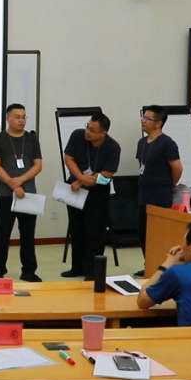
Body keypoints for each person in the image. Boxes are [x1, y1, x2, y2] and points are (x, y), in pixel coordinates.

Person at [62, 113, 121, 279]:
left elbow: (107, 173)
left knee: (95, 232)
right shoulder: (77, 135)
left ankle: (92, 271)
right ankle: (77, 267)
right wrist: (80, 178)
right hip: (75, 190)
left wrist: (82, 181)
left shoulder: (113, 147)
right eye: (87, 127)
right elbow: (69, 158)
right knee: (77, 229)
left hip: (97, 192)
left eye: (92, 130)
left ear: (103, 133)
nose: (87, 132)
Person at [0, 104, 43, 282]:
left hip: (28, 194)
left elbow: (38, 165)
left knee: (28, 235)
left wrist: (21, 180)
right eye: (17, 117)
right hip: (5, 194)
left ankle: (29, 271)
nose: (22, 120)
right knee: (2, 234)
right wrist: (13, 185)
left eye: (24, 117)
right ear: (8, 119)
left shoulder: (32, 139)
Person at [135, 105, 182, 276]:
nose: (143, 121)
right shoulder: (142, 142)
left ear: (158, 123)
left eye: (147, 119)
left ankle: (160, 268)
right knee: (144, 233)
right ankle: (148, 265)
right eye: (143, 117)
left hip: (160, 195)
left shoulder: (167, 143)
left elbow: (177, 168)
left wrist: (170, 184)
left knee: (157, 235)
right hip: (144, 194)